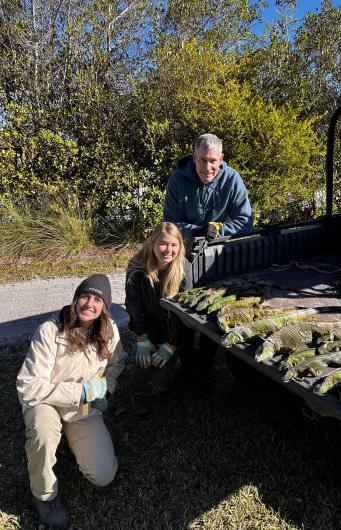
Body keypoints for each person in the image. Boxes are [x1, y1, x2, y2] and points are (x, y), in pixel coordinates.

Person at [16, 274, 127, 530]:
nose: (89, 303)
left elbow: (117, 363)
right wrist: (81, 393)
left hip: (83, 409)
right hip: (46, 403)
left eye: (97, 299)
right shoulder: (49, 330)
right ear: (75, 300)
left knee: (103, 476)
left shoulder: (110, 330)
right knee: (43, 434)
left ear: (104, 307)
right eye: (84, 296)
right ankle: (44, 497)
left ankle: (72, 442)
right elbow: (28, 385)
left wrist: (105, 390)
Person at [125, 221, 193, 415]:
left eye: (174, 245)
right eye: (163, 244)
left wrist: (172, 343)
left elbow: (185, 312)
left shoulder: (184, 267)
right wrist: (142, 338)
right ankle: (138, 395)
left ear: (180, 246)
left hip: (175, 327)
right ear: (152, 243)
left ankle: (167, 377)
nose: (168, 250)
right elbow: (133, 304)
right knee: (142, 361)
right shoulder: (137, 265)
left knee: (160, 381)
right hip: (149, 323)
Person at [163, 133, 253, 241]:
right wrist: (197, 232)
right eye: (203, 160)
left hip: (220, 244)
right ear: (194, 157)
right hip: (184, 244)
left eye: (213, 161)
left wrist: (216, 230)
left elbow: (245, 222)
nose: (207, 168)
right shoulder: (177, 180)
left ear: (221, 159)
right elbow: (169, 223)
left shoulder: (232, 179)